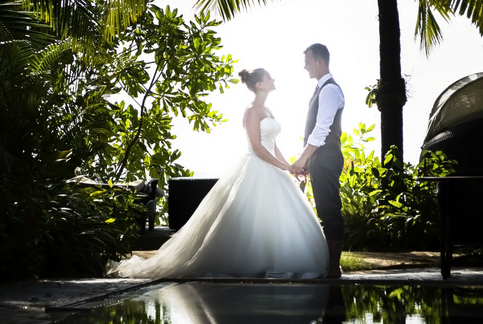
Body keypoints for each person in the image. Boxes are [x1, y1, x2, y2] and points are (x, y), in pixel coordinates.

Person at [109, 67, 329, 279]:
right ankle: (251, 263)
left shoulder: (268, 110)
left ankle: (276, 261)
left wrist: (289, 166)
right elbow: (257, 147)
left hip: (273, 168)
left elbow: (273, 145)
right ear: (259, 84)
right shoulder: (251, 110)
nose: (274, 80)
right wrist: (284, 167)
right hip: (256, 166)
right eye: (269, 78)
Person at [291, 43, 345, 278]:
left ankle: (333, 269)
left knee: (329, 211)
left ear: (319, 61)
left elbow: (321, 130)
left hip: (326, 158)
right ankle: (330, 266)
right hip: (320, 159)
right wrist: (307, 161)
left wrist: (302, 159)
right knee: (324, 210)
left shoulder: (330, 90)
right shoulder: (321, 89)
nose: (305, 67)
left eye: (307, 62)